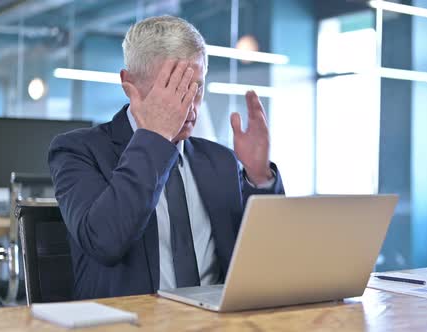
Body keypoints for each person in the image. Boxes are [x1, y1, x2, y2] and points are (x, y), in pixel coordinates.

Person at [48, 15, 284, 300]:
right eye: (172, 91)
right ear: (129, 85)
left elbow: (267, 258)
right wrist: (155, 138)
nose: (189, 108)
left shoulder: (220, 160)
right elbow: (105, 242)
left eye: (195, 88)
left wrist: (259, 177)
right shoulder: (77, 151)